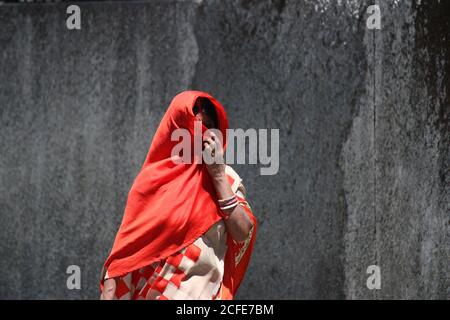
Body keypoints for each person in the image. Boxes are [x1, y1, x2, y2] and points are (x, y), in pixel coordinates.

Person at [99, 91, 257, 300]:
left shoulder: (227, 178)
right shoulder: (152, 182)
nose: (206, 133)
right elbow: (125, 252)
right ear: (177, 127)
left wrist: (217, 176)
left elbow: (243, 232)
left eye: (211, 126)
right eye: (197, 124)